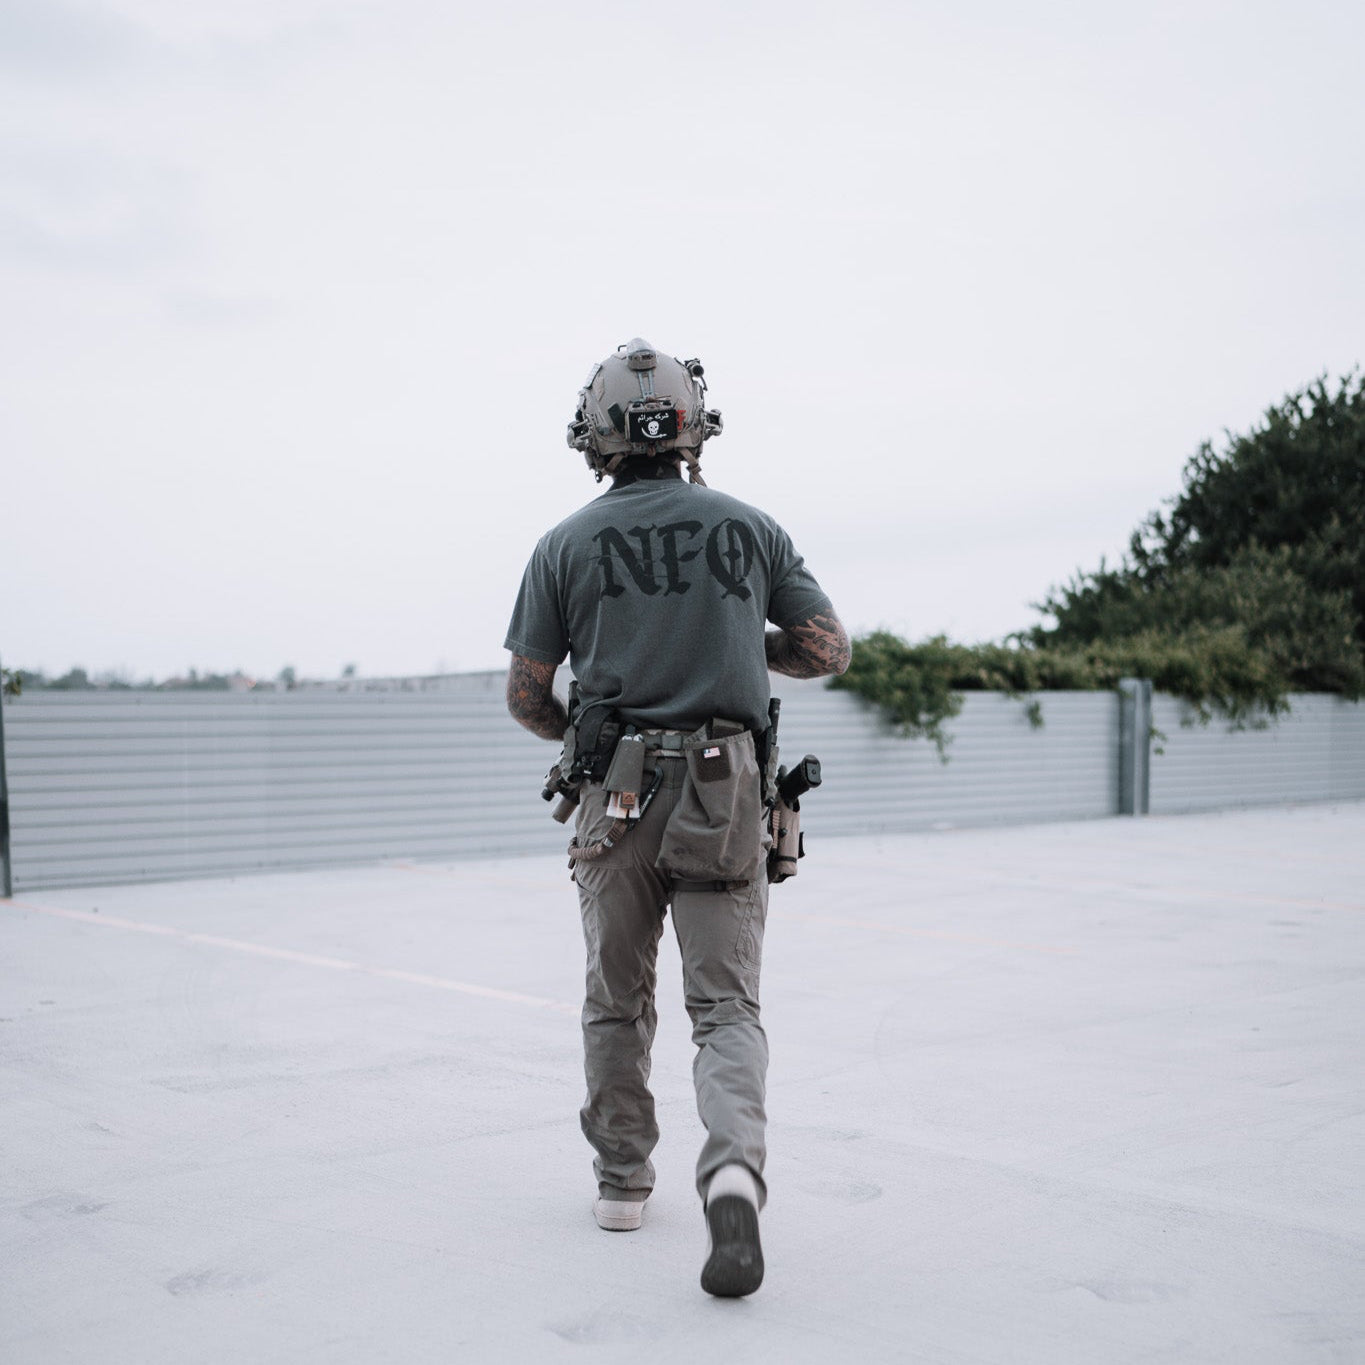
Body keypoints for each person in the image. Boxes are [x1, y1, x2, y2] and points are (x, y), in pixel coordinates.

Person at [503, 337, 850, 1298]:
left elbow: (527, 698)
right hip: (723, 793)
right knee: (725, 1008)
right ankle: (731, 1175)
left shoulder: (562, 545)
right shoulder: (750, 529)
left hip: (612, 800)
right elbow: (827, 649)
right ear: (693, 424)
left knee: (616, 1000)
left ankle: (622, 1184)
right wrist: (737, 637)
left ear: (595, 433)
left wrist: (591, 729)